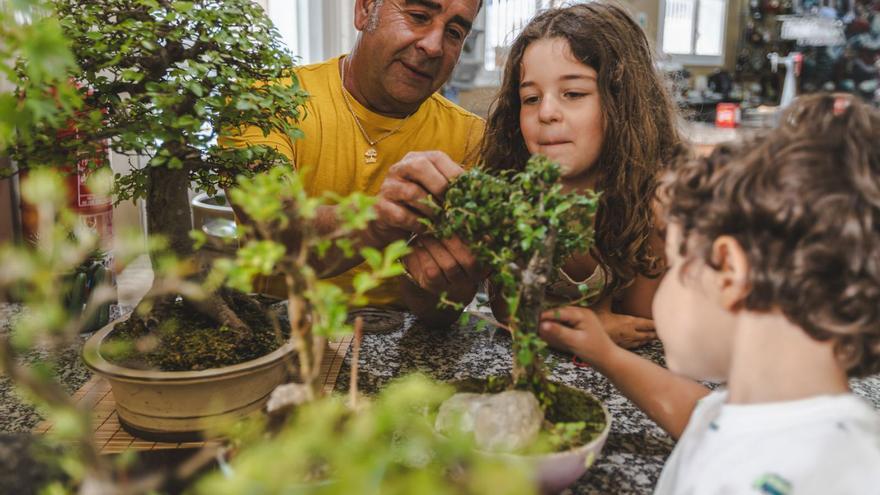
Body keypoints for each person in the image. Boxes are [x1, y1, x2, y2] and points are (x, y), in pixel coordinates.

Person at [540, 93, 880, 493]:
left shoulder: (820, 474)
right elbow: (703, 416)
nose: (661, 287)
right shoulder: (769, 413)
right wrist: (607, 356)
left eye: (674, 262)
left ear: (729, 272)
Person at [220, 0, 486, 326]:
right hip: (277, 333)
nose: (433, 46)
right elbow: (273, 228)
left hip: (402, 340)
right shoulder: (265, 102)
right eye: (418, 16)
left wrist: (437, 285)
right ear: (364, 10)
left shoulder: (471, 137)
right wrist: (375, 220)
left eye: (455, 33)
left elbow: (441, 312)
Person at [481, 3, 682, 348]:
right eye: (530, 98)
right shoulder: (515, 191)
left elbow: (641, 326)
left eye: (573, 94)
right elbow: (505, 309)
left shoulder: (657, 202)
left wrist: (547, 321)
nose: (546, 112)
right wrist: (592, 327)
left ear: (621, 101)